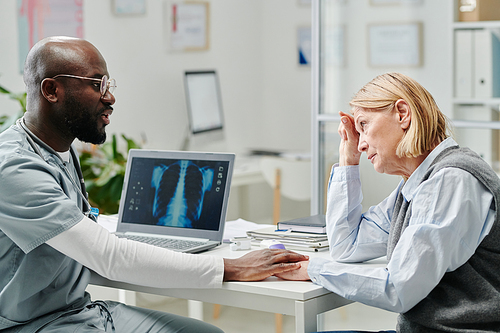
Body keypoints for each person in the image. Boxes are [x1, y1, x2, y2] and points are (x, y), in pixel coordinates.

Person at [0, 36, 309, 333]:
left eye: (108, 84)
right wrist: (233, 267)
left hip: (77, 312)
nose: (109, 97)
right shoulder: (13, 165)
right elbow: (107, 256)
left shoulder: (58, 149)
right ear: (52, 90)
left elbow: (80, 228)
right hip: (30, 325)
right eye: (97, 85)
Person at [277, 72, 500, 333]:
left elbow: (397, 288)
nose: (360, 144)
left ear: (402, 114)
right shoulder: (416, 183)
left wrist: (313, 269)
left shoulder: (451, 181)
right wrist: (347, 160)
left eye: (364, 126)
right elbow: (346, 246)